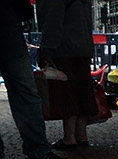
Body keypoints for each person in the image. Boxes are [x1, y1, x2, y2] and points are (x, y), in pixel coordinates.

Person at [0, 0, 69, 159]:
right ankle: (39, 150)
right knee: (26, 92)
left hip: (8, 26)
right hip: (8, 25)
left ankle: (38, 150)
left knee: (26, 92)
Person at [37, 0, 97, 149]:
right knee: (82, 89)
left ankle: (69, 137)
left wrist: (46, 51)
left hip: (65, 47)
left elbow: (53, 22)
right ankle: (81, 135)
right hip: (84, 48)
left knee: (68, 92)